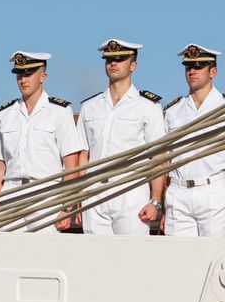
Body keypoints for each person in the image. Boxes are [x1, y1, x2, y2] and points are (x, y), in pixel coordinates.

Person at [76, 39, 166, 235]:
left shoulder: (148, 106)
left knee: (131, 258)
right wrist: (79, 196)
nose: (113, 63)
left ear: (133, 65)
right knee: (93, 258)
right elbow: (83, 155)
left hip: (131, 190)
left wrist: (156, 201)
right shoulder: (89, 106)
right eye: (109, 59)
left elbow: (158, 157)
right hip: (94, 191)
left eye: (120, 59)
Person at [0, 52, 83, 232]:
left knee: (45, 257)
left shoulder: (60, 112)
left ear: (43, 77)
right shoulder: (4, 114)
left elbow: (71, 164)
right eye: (19, 74)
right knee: (6, 256)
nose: (23, 79)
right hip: (11, 192)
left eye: (28, 73)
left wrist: (66, 207)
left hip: (46, 193)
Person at [159, 44, 224, 236]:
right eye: (188, 67)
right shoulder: (173, 111)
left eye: (198, 66)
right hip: (178, 193)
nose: (192, 71)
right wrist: (162, 202)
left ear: (213, 71)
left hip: (214, 190)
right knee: (178, 259)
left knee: (215, 258)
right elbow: (165, 159)